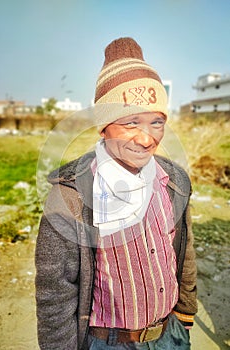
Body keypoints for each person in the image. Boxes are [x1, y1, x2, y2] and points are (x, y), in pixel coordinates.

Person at [35, 37, 197, 350]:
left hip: (171, 336)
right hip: (107, 343)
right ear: (103, 126)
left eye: (156, 122)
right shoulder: (73, 195)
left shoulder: (173, 180)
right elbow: (55, 293)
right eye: (131, 122)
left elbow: (183, 250)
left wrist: (186, 312)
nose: (146, 138)